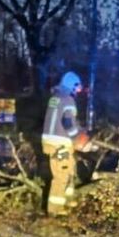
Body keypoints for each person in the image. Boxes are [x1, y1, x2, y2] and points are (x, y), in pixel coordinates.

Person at [41, 71, 91, 216]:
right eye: (77, 88)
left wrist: (81, 130)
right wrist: (78, 137)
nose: (78, 91)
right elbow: (68, 122)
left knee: (70, 170)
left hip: (53, 140)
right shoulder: (68, 100)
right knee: (61, 175)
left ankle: (68, 200)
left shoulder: (56, 98)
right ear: (72, 86)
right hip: (59, 143)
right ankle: (54, 209)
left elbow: (62, 120)